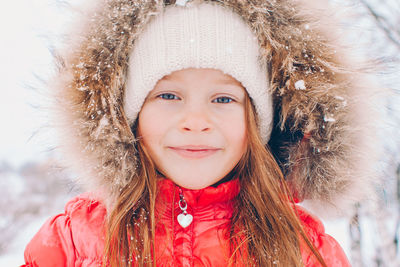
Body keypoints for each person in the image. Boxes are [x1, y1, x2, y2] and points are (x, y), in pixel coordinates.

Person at [22, 0, 378, 266]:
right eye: (168, 95)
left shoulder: (304, 248)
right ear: (130, 117)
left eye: (222, 98)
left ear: (256, 122)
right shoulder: (74, 238)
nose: (195, 121)